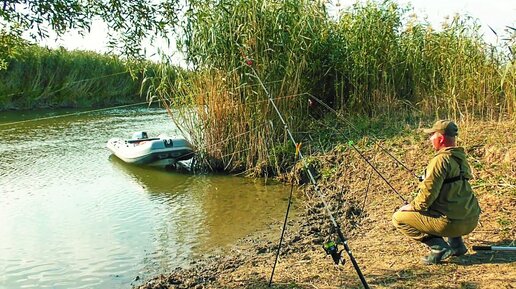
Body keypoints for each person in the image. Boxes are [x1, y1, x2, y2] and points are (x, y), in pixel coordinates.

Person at [392, 120, 481, 264]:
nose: (430, 139)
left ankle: (439, 248)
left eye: (432, 135)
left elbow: (427, 196)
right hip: (471, 219)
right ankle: (457, 245)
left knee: (398, 218)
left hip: (452, 224)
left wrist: (411, 206)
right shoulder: (459, 157)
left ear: (440, 138)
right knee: (450, 202)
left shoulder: (440, 160)